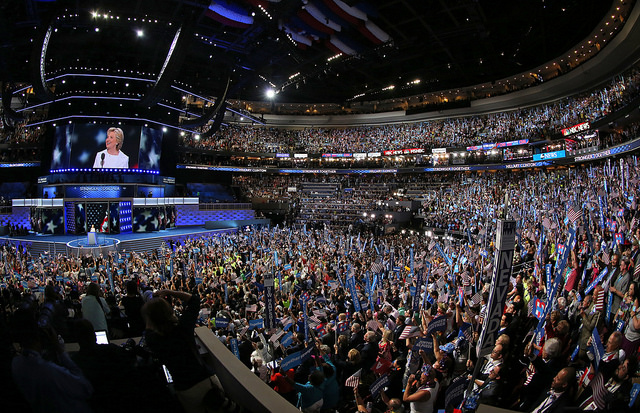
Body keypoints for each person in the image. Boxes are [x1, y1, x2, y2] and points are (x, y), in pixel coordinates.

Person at [142, 289, 239, 413]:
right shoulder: (183, 327)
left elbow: (148, 328)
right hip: (207, 380)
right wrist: (169, 292)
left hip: (186, 390)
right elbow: (194, 300)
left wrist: (151, 310)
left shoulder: (152, 339)